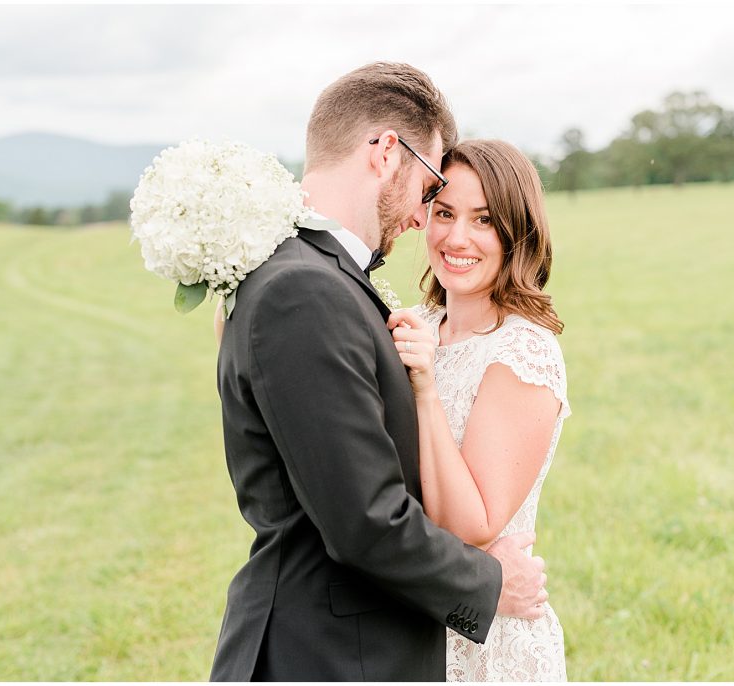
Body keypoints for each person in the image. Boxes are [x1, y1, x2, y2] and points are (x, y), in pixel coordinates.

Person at [210, 63, 547, 682]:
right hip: (330, 655)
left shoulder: (296, 273)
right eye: (430, 192)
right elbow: (365, 519)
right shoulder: (304, 291)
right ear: (389, 152)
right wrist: (492, 582)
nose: (424, 218)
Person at [387, 140, 570, 681]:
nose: (456, 237)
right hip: (406, 626)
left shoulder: (522, 352)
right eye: (444, 213)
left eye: (483, 220)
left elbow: (472, 526)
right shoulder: (416, 324)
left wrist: (425, 388)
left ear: (516, 232)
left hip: (487, 640)